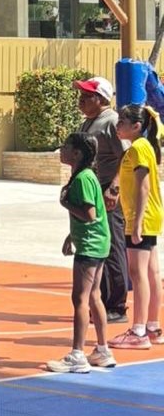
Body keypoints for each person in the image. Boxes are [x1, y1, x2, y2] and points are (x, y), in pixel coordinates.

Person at [46, 133, 116, 372]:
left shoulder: (82, 179)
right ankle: (103, 349)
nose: (62, 150)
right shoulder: (86, 176)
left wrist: (65, 203)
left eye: (66, 147)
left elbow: (89, 214)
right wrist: (71, 236)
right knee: (94, 295)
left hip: (91, 245)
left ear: (76, 153)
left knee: (80, 298)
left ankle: (77, 354)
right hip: (96, 242)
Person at [109, 104, 163, 350]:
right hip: (150, 216)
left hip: (141, 218)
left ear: (136, 126)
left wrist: (138, 222)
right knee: (152, 274)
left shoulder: (139, 149)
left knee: (138, 273)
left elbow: (143, 187)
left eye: (122, 121)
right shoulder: (143, 147)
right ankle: (152, 326)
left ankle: (139, 330)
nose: (118, 125)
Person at [74, 76, 128, 323]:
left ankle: (116, 305)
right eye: (81, 96)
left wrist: (114, 188)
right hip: (94, 189)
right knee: (99, 244)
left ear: (101, 98)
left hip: (107, 190)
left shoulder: (112, 121)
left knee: (113, 245)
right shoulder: (89, 123)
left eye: (86, 96)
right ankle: (102, 301)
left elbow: (126, 157)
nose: (81, 101)